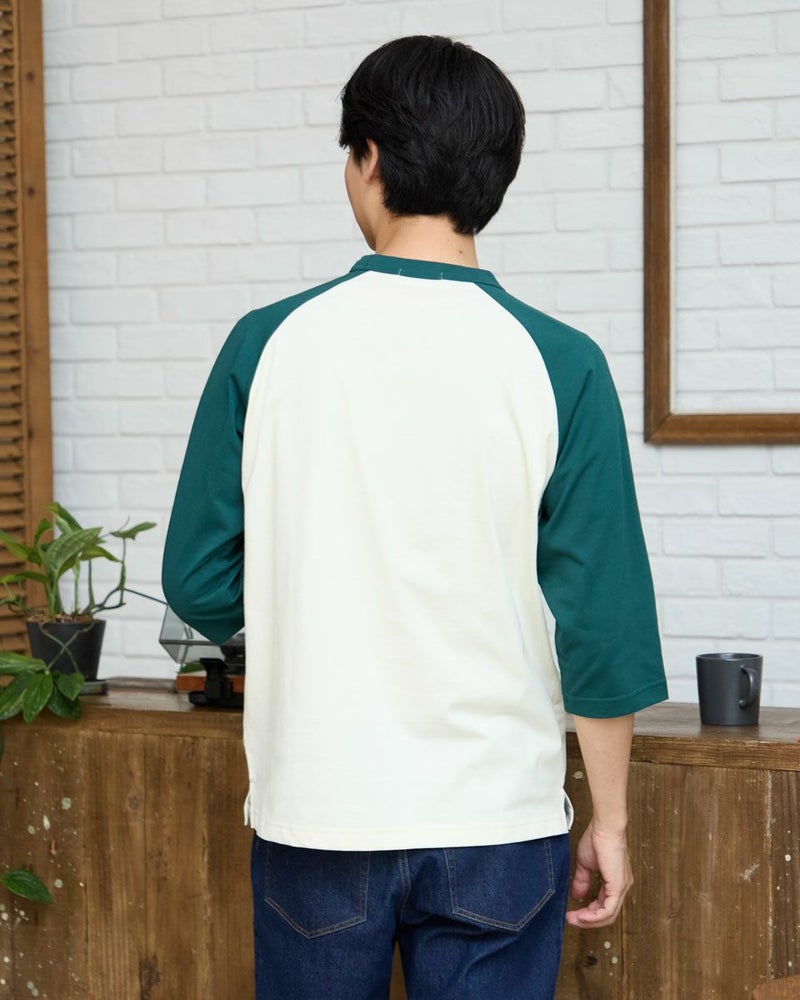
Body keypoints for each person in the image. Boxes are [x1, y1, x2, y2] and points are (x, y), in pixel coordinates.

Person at [162, 35, 668, 1000]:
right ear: (496, 178)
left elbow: (197, 582)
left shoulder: (266, 345)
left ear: (369, 163)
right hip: (497, 821)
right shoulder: (561, 361)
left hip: (319, 812)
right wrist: (610, 820)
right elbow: (603, 627)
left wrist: (304, 607)